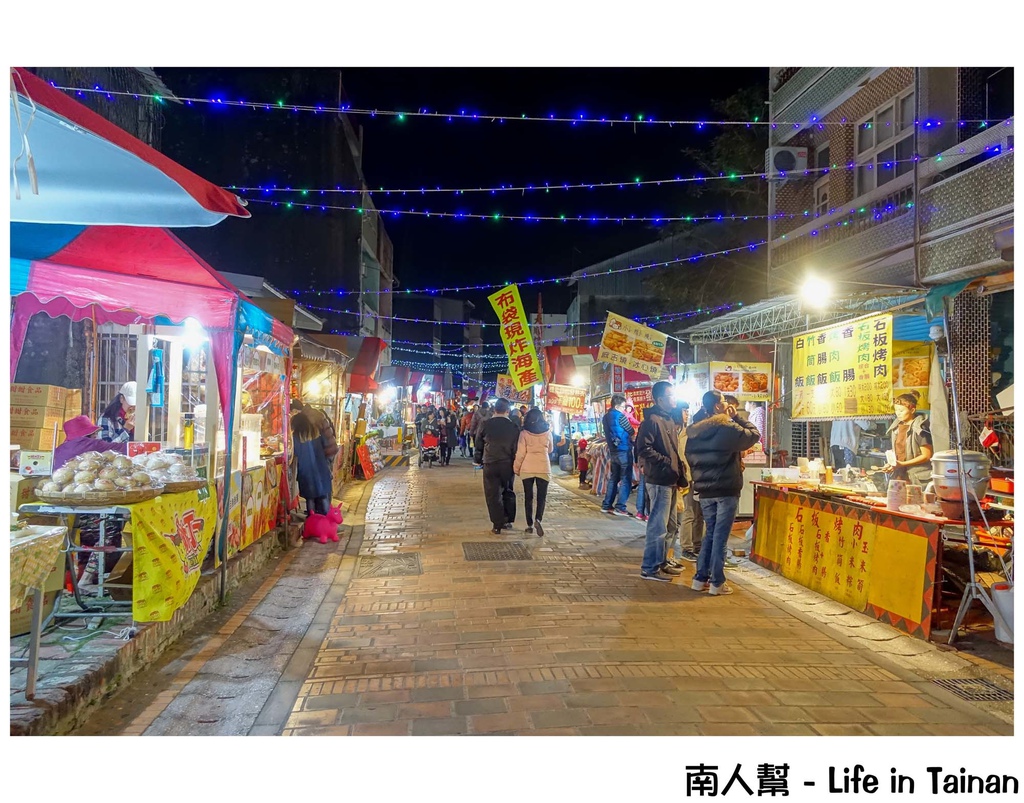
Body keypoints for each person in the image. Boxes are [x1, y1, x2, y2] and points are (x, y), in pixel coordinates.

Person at [685, 390, 761, 596]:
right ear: (718, 406)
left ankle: (700, 578)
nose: (726, 404)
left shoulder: (695, 430)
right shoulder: (726, 427)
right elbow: (753, 435)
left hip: (705, 490)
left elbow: (690, 457)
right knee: (720, 536)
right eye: (723, 402)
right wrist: (736, 416)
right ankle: (717, 582)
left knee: (711, 533)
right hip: (726, 489)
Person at [635, 381, 688, 582]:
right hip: (659, 480)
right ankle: (649, 567)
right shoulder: (652, 421)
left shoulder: (668, 420)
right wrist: (666, 463)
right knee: (658, 527)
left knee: (671, 525)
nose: (674, 398)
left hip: (670, 480)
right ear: (659, 400)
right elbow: (644, 449)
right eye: (670, 395)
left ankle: (663, 560)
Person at [474, 398, 520, 534]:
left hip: (490, 462)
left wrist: (478, 459)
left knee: (492, 494)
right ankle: (507, 519)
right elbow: (516, 446)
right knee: (508, 490)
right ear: (508, 411)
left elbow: (478, 443)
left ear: (494, 410)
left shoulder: (485, 424)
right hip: (507, 463)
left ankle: (497, 524)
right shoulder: (513, 426)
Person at [665, 401, 702, 565]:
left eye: (688, 410)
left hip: (693, 477)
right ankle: (683, 549)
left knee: (694, 515)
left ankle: (693, 547)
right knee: (685, 515)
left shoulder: (687, 431)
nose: (686, 413)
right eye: (684, 410)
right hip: (682, 480)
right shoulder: (676, 432)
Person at [514, 407, 553, 536]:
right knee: (542, 497)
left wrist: (516, 468)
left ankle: (529, 524)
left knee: (528, 497)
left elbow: (520, 453)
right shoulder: (548, 432)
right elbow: (550, 450)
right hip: (543, 467)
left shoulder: (524, 433)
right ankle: (538, 519)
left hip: (527, 467)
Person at [883, 391, 933, 487]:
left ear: (912, 410)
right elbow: (898, 453)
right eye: (896, 410)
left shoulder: (920, 429)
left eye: (901, 411)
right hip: (899, 477)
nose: (898, 414)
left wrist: (902, 464)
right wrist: (891, 465)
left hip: (916, 478)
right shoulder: (896, 427)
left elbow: (926, 456)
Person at [291, 410, 333, 516]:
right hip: (320, 468)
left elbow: (294, 452)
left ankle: (312, 520)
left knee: (310, 498)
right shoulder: (315, 431)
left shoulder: (296, 436)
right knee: (323, 496)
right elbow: (326, 445)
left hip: (306, 471)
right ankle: (326, 519)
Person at [600, 394, 635, 517]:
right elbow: (631, 430)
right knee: (626, 479)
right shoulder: (621, 416)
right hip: (624, 449)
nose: (624, 409)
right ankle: (620, 507)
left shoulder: (605, 417)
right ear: (617, 406)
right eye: (623, 407)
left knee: (614, 477)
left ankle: (606, 505)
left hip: (613, 450)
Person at [53, 414, 126, 470]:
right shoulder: (91, 444)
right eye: (94, 433)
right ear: (87, 434)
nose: (96, 435)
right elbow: (120, 448)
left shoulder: (59, 449)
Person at [292, 399, 339, 473]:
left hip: (321, 459)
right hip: (324, 458)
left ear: (296, 411)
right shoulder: (314, 415)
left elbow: (310, 444)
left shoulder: (309, 420)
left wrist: (321, 457)